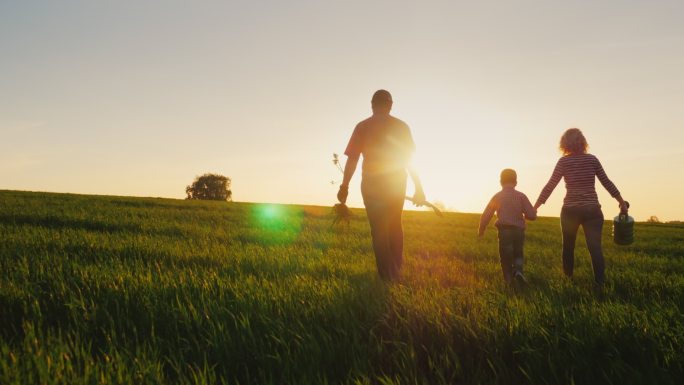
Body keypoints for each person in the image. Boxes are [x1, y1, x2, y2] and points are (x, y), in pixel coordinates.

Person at [337, 89, 425, 281]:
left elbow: (352, 160)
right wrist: (419, 188)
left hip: (371, 183)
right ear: (391, 105)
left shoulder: (362, 127)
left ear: (372, 105)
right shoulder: (402, 127)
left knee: (378, 228)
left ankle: (386, 274)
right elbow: (409, 160)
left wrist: (344, 186)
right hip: (396, 182)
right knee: (395, 224)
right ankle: (396, 270)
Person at [534, 128, 628, 286]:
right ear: (583, 142)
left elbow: (550, 186)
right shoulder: (592, 160)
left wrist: (535, 207)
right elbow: (607, 182)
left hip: (570, 210)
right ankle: (600, 284)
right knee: (595, 248)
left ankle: (568, 281)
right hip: (592, 209)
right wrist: (621, 202)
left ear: (564, 144)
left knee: (568, 247)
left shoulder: (563, 162)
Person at [478, 169, 537, 284]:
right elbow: (531, 215)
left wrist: (481, 228)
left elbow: (487, 213)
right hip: (519, 231)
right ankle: (519, 271)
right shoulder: (521, 196)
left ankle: (509, 280)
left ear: (500, 182)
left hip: (504, 230)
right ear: (516, 182)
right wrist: (533, 213)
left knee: (505, 255)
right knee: (518, 252)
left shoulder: (497, 196)